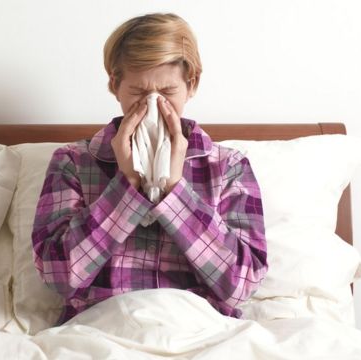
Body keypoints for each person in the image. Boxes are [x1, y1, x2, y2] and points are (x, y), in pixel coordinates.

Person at [31, 13, 267, 325]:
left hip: (200, 330)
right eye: (140, 94)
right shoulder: (73, 162)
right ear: (115, 85)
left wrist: (174, 192)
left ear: (191, 84)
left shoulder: (228, 167)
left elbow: (241, 285)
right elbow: (59, 276)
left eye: (167, 93)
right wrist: (127, 186)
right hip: (102, 330)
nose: (153, 107)